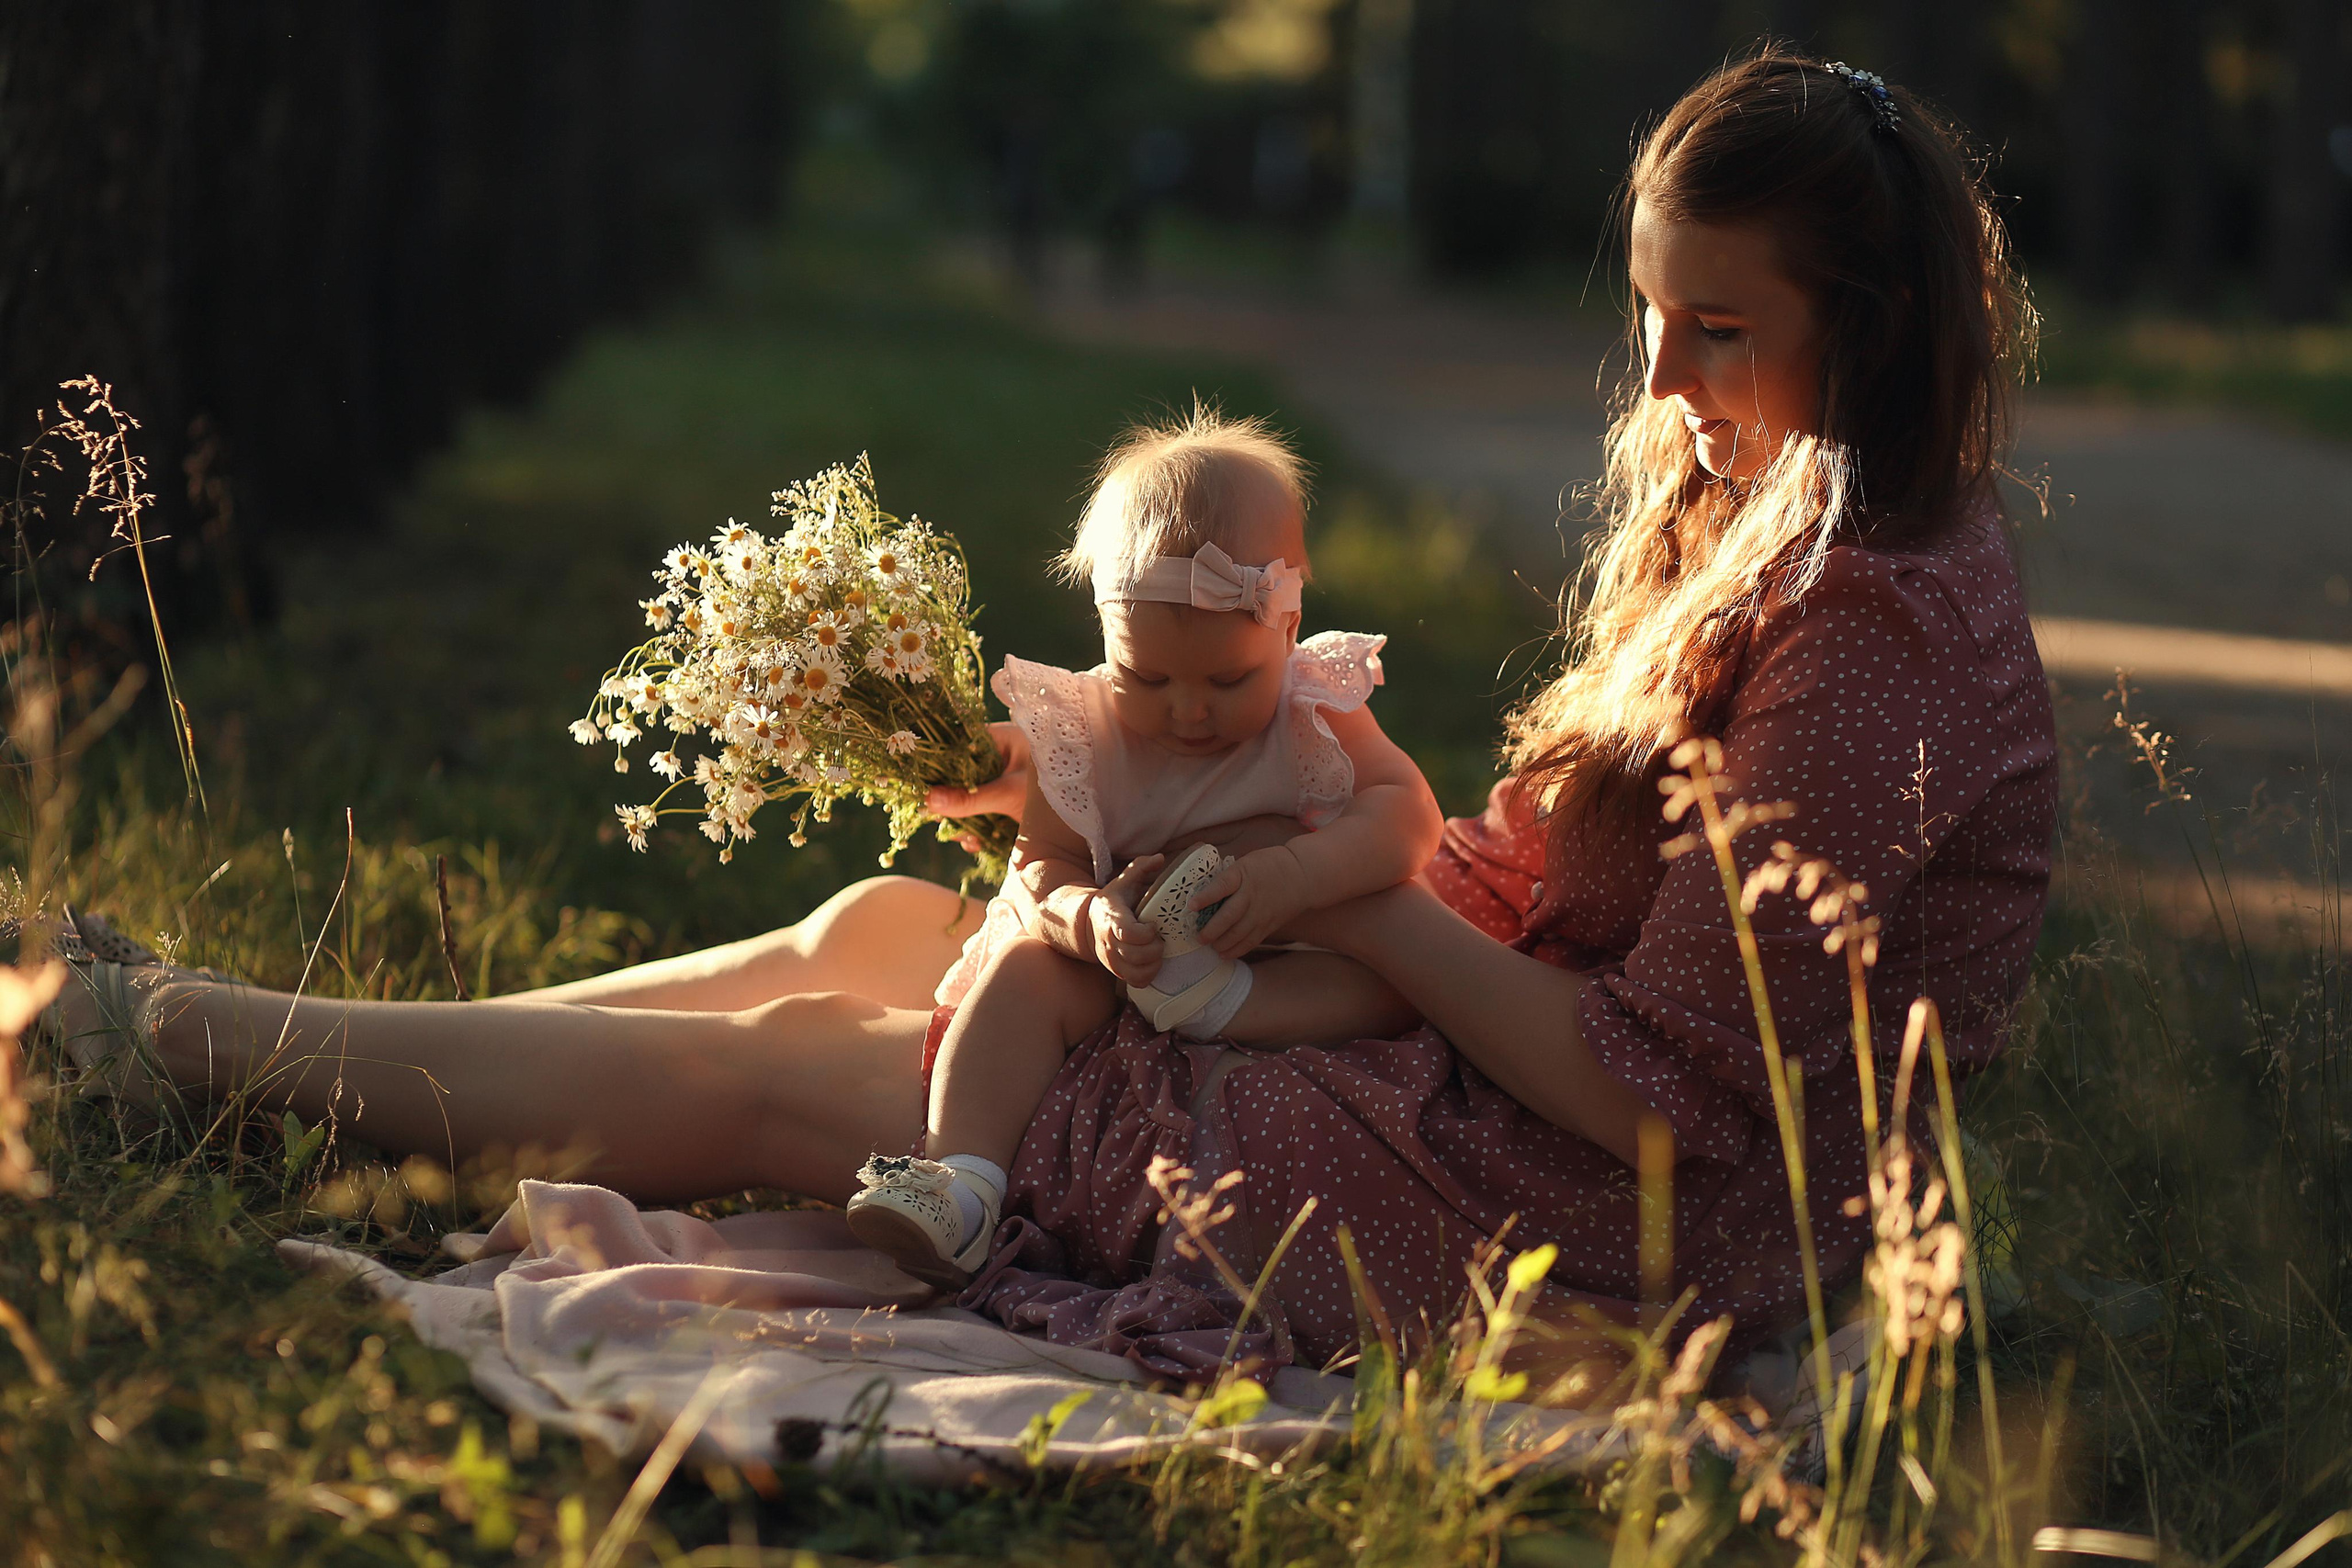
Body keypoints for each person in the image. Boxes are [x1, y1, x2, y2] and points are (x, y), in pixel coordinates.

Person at [45, 49, 2054, 1385]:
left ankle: (161, 1043)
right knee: (883, 931)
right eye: (1648, 313)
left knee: (839, 1068)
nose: (1663, 374)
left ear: (1859, 332)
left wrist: (1333, 896)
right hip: (1453, 1043)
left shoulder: (1873, 633)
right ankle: (266, 1034)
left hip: (1596, 1214)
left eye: (1718, 329)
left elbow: (1652, 1105)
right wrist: (1179, 841)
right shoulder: (1775, 518)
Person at [844, 410, 1439, 1290]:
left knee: (1396, 980)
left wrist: (1298, 875)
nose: (1188, 712)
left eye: (1228, 681)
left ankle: (1218, 1007)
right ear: (1105, 637)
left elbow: (1410, 815)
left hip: (1273, 950)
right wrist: (1086, 918)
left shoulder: (1315, 703)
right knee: (1016, 982)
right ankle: (959, 1183)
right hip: (1121, 960)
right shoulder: (1079, 732)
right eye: (1146, 678)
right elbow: (1039, 863)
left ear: (1286, 627)